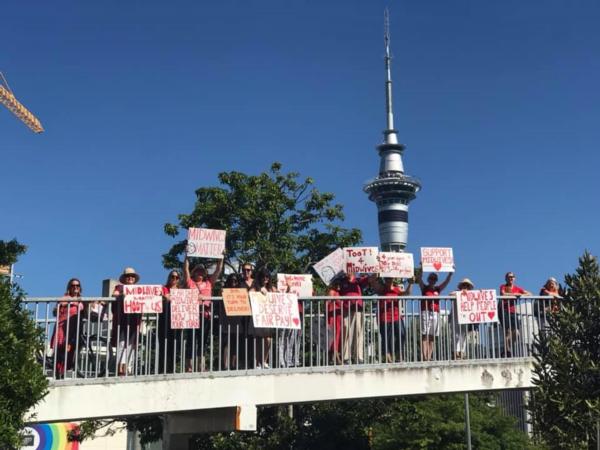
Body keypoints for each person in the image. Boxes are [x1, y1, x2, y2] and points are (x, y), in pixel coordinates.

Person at [183, 254, 223, 372]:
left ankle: (201, 365)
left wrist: (220, 257)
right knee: (191, 340)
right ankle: (188, 366)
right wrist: (186, 256)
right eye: (198, 271)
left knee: (203, 341)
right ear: (194, 272)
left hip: (205, 315)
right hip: (192, 313)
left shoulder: (209, 282)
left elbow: (218, 270)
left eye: (202, 271)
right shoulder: (190, 282)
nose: (200, 273)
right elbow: (185, 269)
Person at [371, 276, 412, 363]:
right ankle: (387, 357)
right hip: (384, 317)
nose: (388, 280)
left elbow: (407, 293)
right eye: (386, 279)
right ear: (384, 279)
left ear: (393, 279)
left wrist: (411, 283)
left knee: (402, 334)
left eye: (390, 279)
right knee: (386, 337)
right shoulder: (381, 289)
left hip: (396, 316)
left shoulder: (396, 289)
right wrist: (376, 275)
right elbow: (373, 284)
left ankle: (398, 354)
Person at [416, 269, 453, 362]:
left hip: (435, 313)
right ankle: (424, 356)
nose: (432, 280)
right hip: (426, 312)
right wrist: (422, 267)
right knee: (425, 335)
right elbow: (419, 278)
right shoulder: (424, 288)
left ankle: (429, 356)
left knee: (432, 336)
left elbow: (446, 282)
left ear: (436, 280)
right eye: (431, 278)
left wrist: (450, 274)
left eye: (434, 279)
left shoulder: (438, 289)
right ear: (428, 280)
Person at [50, 278, 83, 378]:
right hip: (63, 328)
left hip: (75, 330)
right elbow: (55, 312)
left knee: (70, 355)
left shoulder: (82, 300)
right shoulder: (64, 298)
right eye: (73, 286)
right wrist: (60, 305)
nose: (75, 287)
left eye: (77, 285)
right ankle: (58, 375)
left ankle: (62, 373)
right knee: (61, 353)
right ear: (69, 288)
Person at [112, 267, 142, 376]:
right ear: (124, 278)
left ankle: (127, 367)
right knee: (122, 343)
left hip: (134, 320)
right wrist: (122, 295)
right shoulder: (119, 287)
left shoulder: (139, 290)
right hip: (122, 319)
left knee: (131, 344)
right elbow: (114, 295)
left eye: (132, 276)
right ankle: (120, 368)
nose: (130, 278)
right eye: (128, 276)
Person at [499, 272, 532, 357]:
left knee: (516, 333)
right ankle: (508, 351)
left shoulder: (517, 288)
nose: (510, 278)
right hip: (503, 310)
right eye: (509, 277)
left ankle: (506, 349)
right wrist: (514, 295)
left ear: (514, 278)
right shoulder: (503, 286)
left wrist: (520, 294)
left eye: (512, 277)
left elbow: (529, 294)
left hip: (513, 312)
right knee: (507, 332)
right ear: (506, 278)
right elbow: (503, 294)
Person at [249, 268, 276, 368]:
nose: (265, 278)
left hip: (268, 318)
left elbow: (281, 296)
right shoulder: (255, 287)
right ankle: (257, 363)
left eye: (267, 276)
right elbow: (250, 293)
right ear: (259, 278)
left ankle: (264, 361)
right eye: (263, 276)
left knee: (268, 340)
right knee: (258, 340)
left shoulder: (272, 288)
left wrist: (289, 287)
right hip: (258, 317)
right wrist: (259, 291)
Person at [339, 273, 369, 364]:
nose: (348, 271)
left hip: (358, 308)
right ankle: (346, 357)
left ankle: (358, 357)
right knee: (346, 331)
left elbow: (371, 279)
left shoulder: (358, 280)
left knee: (358, 331)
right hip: (345, 308)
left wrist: (376, 271)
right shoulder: (341, 280)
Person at [219, 273, 246, 370]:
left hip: (238, 320)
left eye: (235, 281)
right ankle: (225, 365)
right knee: (226, 343)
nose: (233, 283)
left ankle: (233, 365)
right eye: (231, 280)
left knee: (235, 343)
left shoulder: (241, 292)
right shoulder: (224, 292)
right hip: (226, 321)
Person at [158, 270, 181, 374]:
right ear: (169, 277)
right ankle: (162, 369)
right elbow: (163, 297)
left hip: (177, 321)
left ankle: (172, 369)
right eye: (172, 276)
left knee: (174, 344)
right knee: (163, 344)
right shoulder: (164, 288)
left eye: (177, 277)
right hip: (164, 320)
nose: (174, 279)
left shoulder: (181, 291)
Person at [451, 278, 477, 359]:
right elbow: (450, 294)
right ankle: (456, 352)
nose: (465, 287)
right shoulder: (457, 292)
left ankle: (462, 352)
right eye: (464, 285)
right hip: (456, 318)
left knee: (464, 335)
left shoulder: (471, 295)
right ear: (461, 286)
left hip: (466, 318)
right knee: (456, 335)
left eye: (467, 286)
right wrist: (461, 293)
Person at [326, 278, 344, 365]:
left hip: (338, 316)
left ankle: (334, 357)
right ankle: (335, 357)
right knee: (334, 336)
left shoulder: (338, 292)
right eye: (337, 284)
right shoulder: (332, 292)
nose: (339, 286)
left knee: (338, 336)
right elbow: (327, 304)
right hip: (332, 317)